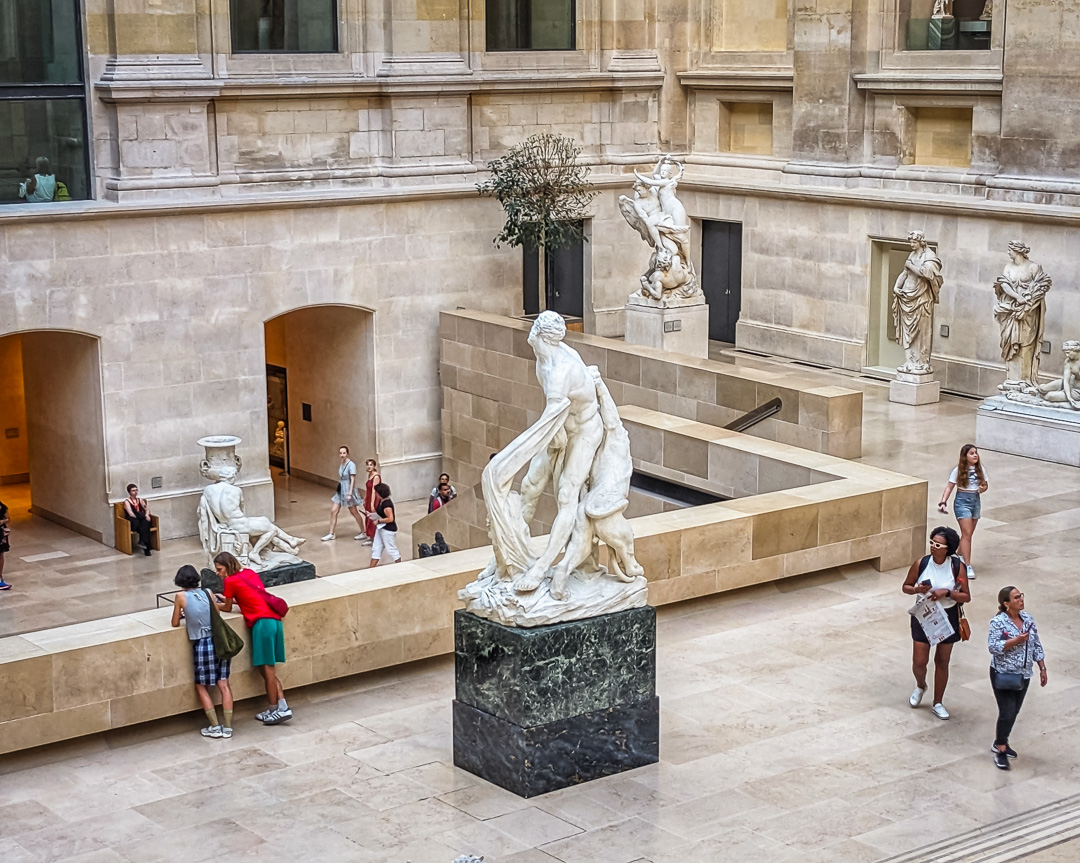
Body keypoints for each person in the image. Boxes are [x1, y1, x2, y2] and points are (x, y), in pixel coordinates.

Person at [212, 551, 292, 725]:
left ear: (227, 566)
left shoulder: (229, 581)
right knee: (266, 669)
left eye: (219, 569)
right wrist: (227, 599)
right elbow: (249, 596)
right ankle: (282, 705)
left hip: (261, 624)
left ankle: (274, 708)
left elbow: (226, 608)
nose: (218, 573)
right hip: (274, 620)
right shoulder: (249, 573)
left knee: (268, 671)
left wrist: (213, 602)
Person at [902, 526, 970, 721]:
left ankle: (938, 702)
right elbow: (906, 586)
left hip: (947, 614)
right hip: (923, 614)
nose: (933, 547)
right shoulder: (921, 563)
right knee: (919, 661)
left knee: (942, 660)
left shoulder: (957, 567)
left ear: (948, 548)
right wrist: (917, 590)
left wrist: (946, 593)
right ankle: (921, 684)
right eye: (932, 542)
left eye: (938, 544)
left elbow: (966, 596)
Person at [170, 565, 234, 738]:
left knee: (201, 686)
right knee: (224, 684)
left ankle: (215, 726)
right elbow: (216, 614)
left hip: (203, 644)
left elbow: (175, 622)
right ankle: (228, 727)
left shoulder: (180, 596)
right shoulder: (208, 592)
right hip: (219, 641)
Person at [988, 585, 1047, 770]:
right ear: (1006, 603)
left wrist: (1042, 667)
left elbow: (1036, 643)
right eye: (1016, 598)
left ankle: (1001, 740)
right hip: (1003, 673)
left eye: (1020, 596)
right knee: (1007, 712)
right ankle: (1001, 750)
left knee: (1014, 712)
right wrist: (1015, 641)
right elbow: (993, 646)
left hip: (1023, 674)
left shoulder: (1028, 619)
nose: (1020, 599)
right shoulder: (998, 622)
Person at [891, 230, 943, 375]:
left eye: (914, 242)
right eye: (910, 242)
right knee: (907, 331)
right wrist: (896, 287)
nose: (912, 245)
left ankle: (921, 363)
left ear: (921, 241)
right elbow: (905, 273)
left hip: (921, 298)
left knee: (922, 331)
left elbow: (928, 273)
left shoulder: (930, 256)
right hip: (907, 297)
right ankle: (909, 362)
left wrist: (910, 266)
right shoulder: (912, 255)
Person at [937, 444, 987, 579]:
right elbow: (949, 487)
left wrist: (982, 488)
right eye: (971, 453)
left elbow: (985, 484)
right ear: (965, 456)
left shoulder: (980, 469)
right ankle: (967, 565)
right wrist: (943, 502)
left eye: (976, 453)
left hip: (975, 501)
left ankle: (959, 554)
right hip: (962, 501)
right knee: (967, 533)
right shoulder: (958, 470)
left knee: (968, 534)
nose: (975, 455)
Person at [322, 446, 367, 542]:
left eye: (344, 453)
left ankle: (363, 531)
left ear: (347, 453)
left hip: (348, 489)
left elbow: (352, 479)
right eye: (341, 453)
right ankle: (331, 533)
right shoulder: (342, 463)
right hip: (341, 489)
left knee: (353, 511)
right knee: (334, 511)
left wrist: (350, 493)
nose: (342, 455)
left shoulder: (351, 465)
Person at [367, 482, 401, 566]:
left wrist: (379, 521)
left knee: (391, 549)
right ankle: (371, 568)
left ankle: (400, 565)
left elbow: (390, 518)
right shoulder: (381, 502)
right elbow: (381, 514)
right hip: (381, 528)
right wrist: (372, 515)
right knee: (376, 548)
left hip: (388, 530)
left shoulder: (387, 504)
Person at [122, 483, 154, 556]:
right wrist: (140, 517)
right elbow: (130, 513)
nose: (135, 492)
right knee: (144, 526)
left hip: (141, 519)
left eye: (136, 490)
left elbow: (146, 509)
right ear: (129, 492)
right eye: (133, 490)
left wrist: (146, 515)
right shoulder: (127, 501)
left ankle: (143, 542)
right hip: (134, 520)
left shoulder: (140, 500)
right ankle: (147, 547)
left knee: (146, 523)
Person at [361, 458, 381, 546]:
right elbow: (367, 489)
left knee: (372, 516)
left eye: (371, 465)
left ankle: (373, 537)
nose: (369, 467)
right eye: (368, 465)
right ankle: (369, 535)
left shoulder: (376, 476)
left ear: (374, 466)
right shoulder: (370, 475)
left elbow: (374, 491)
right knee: (368, 516)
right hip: (369, 498)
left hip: (374, 499)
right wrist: (365, 499)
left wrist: (372, 504)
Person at [0, 499, 12, 591]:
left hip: (0, 533)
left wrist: (2, 522)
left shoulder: (2, 506)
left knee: (0, 554)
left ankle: (0, 578)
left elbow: (8, 518)